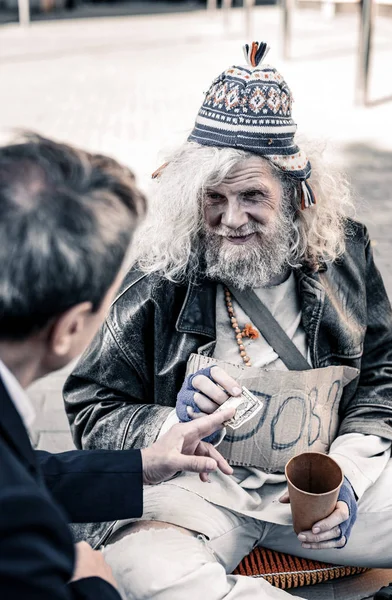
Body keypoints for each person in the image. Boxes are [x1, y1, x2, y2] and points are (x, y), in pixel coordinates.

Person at [64, 42, 392, 600]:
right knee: (145, 573)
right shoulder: (160, 273)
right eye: (213, 198)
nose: (230, 219)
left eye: (252, 196)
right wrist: (167, 420)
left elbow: (386, 369)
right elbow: (89, 407)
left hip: (323, 485)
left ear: (296, 196)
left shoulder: (344, 252)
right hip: (196, 491)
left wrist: (349, 476)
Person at [0, 133, 235, 600]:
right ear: (69, 329)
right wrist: (92, 581)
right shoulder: (24, 538)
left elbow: (25, 470)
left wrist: (142, 465)